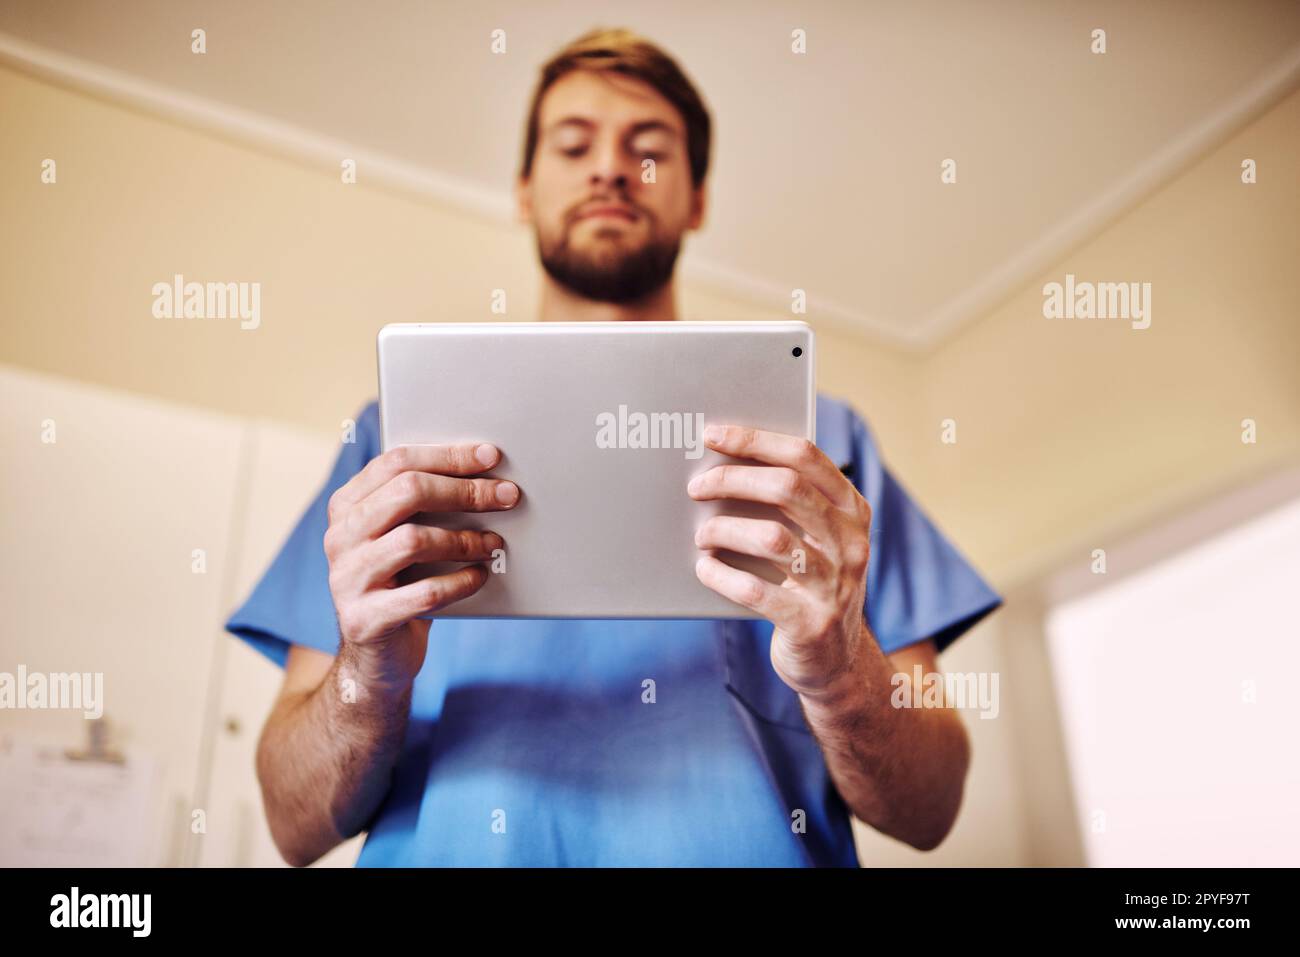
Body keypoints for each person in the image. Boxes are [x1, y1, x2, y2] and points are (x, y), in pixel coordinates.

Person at [226, 27, 1002, 867]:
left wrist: (842, 669)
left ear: (698, 199)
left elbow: (932, 806)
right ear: (524, 190)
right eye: (573, 144)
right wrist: (363, 679)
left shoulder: (826, 443)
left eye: (649, 149)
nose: (608, 169)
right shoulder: (393, 444)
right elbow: (291, 823)